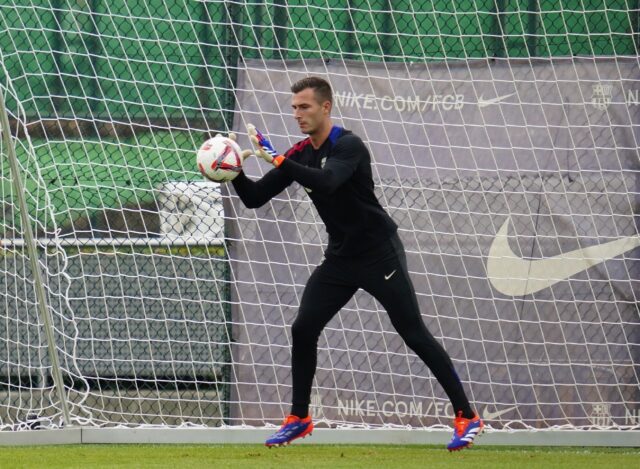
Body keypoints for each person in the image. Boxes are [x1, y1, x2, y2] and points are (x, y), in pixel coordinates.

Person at [228, 76, 483, 451]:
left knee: (413, 334)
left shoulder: (348, 145)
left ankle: (467, 415)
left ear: (325, 107)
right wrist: (229, 168)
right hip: (341, 259)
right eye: (294, 108)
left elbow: (329, 182)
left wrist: (280, 159)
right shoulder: (300, 153)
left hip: (379, 252)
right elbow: (254, 198)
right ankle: (299, 418)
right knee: (303, 328)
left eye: (305, 107)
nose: (298, 114)